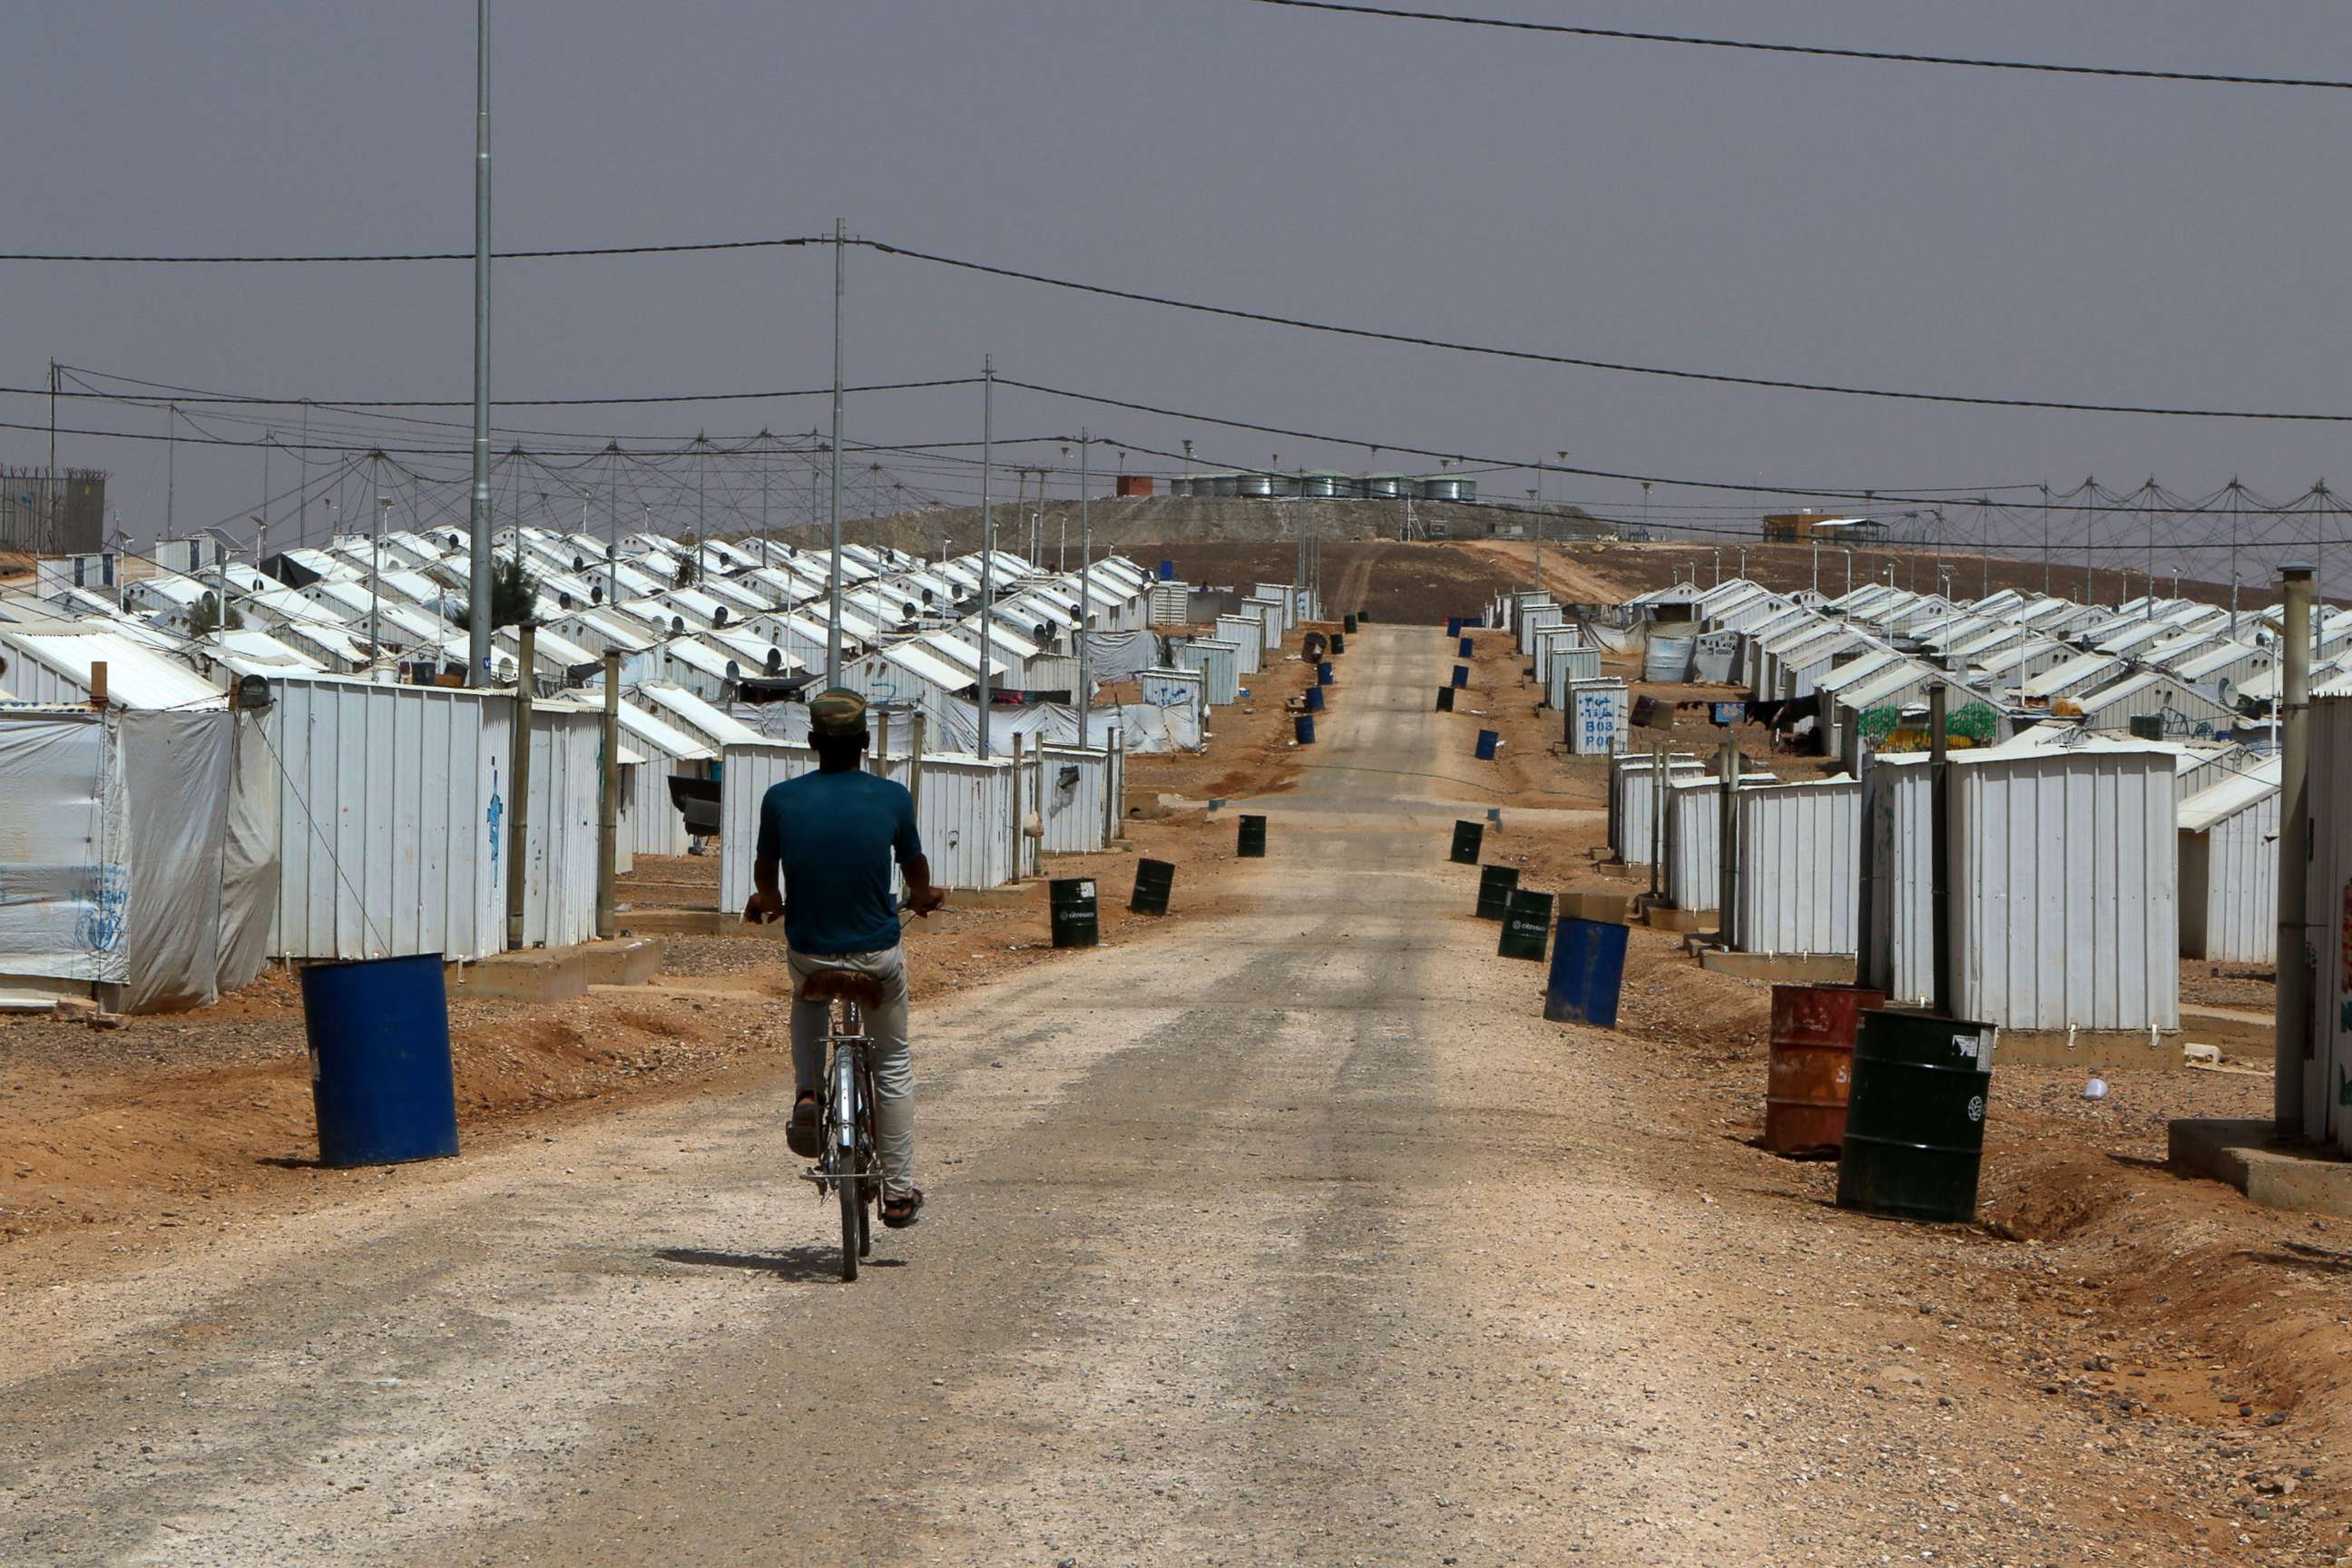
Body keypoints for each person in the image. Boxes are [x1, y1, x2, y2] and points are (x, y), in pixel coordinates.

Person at [746, 689, 945, 1228]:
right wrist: (923, 898)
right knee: (894, 1062)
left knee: (807, 991)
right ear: (864, 743)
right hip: (877, 953)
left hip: (811, 948)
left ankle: (809, 1092)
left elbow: (767, 872)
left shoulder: (781, 798)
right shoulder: (892, 797)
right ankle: (899, 1194)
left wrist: (768, 902)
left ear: (813, 742)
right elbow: (915, 867)